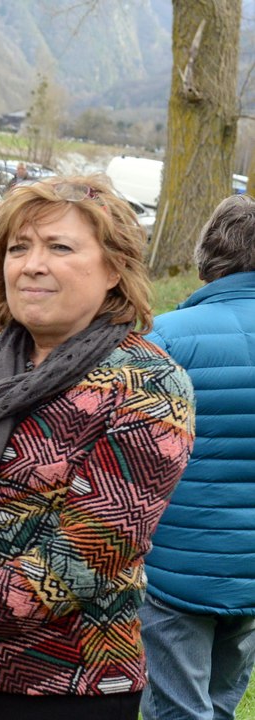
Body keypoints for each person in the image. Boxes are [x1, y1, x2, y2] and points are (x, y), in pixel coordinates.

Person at [0, 175, 196, 720]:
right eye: (19, 247)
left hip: (63, 685)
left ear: (114, 268)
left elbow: (84, 555)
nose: (32, 264)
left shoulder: (149, 385)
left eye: (60, 247)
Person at [139, 194, 255, 720]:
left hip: (175, 566)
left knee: (180, 711)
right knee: (221, 706)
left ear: (207, 255)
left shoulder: (163, 337)